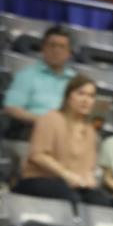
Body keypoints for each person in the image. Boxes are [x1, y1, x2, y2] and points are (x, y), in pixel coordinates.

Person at [14, 74, 108, 204]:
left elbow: (89, 166)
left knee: (101, 200)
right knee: (69, 197)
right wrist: (65, 174)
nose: (86, 100)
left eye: (91, 96)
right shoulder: (50, 119)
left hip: (71, 184)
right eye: (81, 94)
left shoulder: (90, 131)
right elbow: (38, 155)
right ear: (68, 96)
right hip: (39, 179)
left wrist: (88, 178)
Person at [3, 25, 75, 132]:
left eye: (62, 47)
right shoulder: (27, 75)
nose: (56, 50)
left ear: (69, 53)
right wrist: (43, 122)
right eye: (52, 45)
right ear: (43, 48)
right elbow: (11, 108)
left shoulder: (76, 80)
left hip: (68, 133)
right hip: (32, 130)